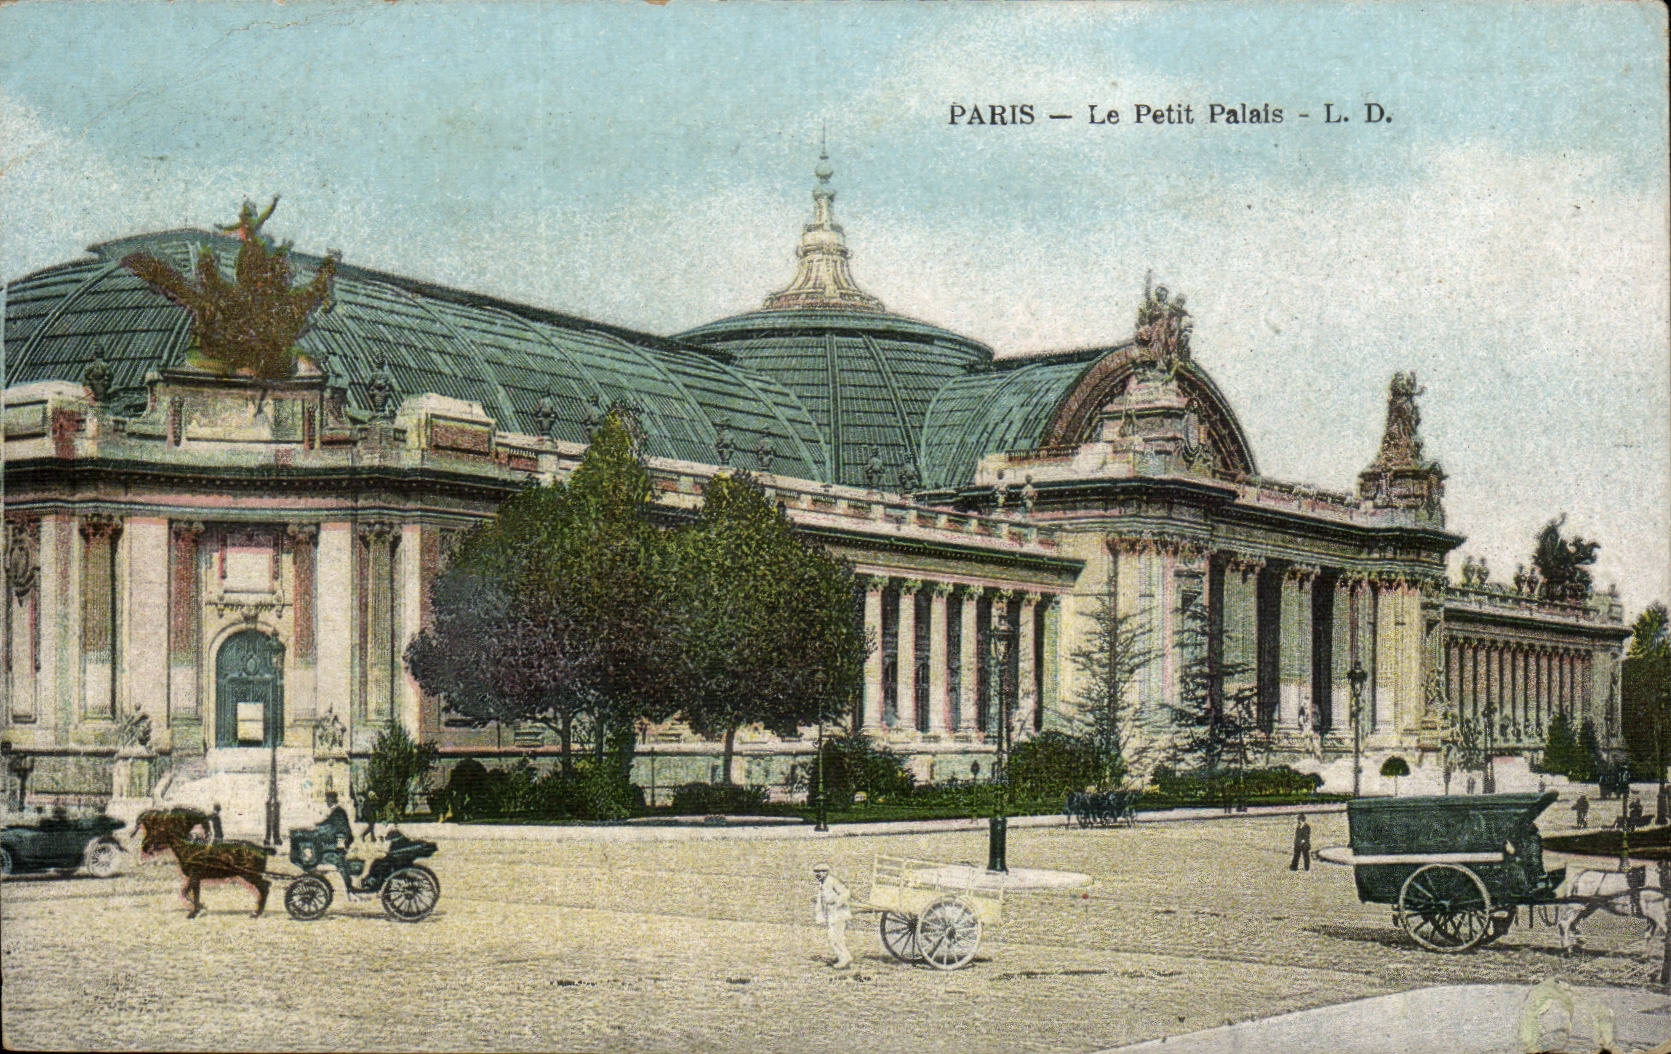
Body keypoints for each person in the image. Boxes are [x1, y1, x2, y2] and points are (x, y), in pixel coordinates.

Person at [811, 864, 852, 969]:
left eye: (819, 872)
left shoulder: (832, 881)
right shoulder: (823, 883)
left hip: (838, 914)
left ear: (825, 872)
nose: (817, 875)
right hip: (831, 914)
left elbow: (845, 893)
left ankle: (844, 959)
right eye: (816, 873)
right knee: (833, 937)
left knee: (836, 937)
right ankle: (844, 957)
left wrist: (836, 903)